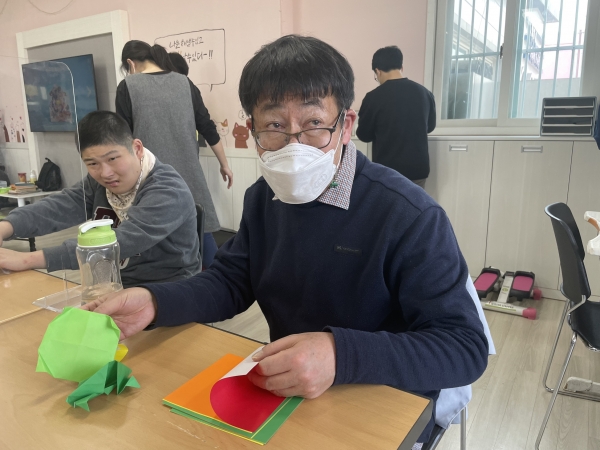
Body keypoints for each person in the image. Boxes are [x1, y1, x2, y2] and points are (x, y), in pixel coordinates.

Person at [84, 35, 488, 448]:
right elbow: (231, 281)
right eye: (275, 126)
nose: (295, 146)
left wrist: (339, 354)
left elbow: (465, 347)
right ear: (253, 129)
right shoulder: (262, 199)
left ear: (346, 126)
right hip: (291, 398)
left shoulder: (408, 214)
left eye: (314, 124)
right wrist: (155, 301)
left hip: (382, 403)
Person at [0, 111, 200, 287]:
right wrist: (5, 227)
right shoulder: (98, 184)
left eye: (112, 159)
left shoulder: (168, 190)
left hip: (169, 289)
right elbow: (59, 207)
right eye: (92, 163)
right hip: (113, 285)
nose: (105, 173)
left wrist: (27, 260)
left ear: (137, 148)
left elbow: (122, 242)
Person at [116, 40, 232, 268]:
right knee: (203, 236)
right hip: (189, 176)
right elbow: (207, 127)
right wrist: (224, 164)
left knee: (157, 241)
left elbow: (123, 139)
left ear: (130, 63)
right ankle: (219, 282)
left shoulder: (127, 86)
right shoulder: (184, 83)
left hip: (150, 178)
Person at [356, 46, 436, 188]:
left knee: (388, 202)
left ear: (378, 71)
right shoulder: (425, 93)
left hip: (388, 171)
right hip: (418, 169)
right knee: (415, 202)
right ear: (401, 67)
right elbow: (430, 127)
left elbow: (364, 135)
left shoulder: (373, 97)